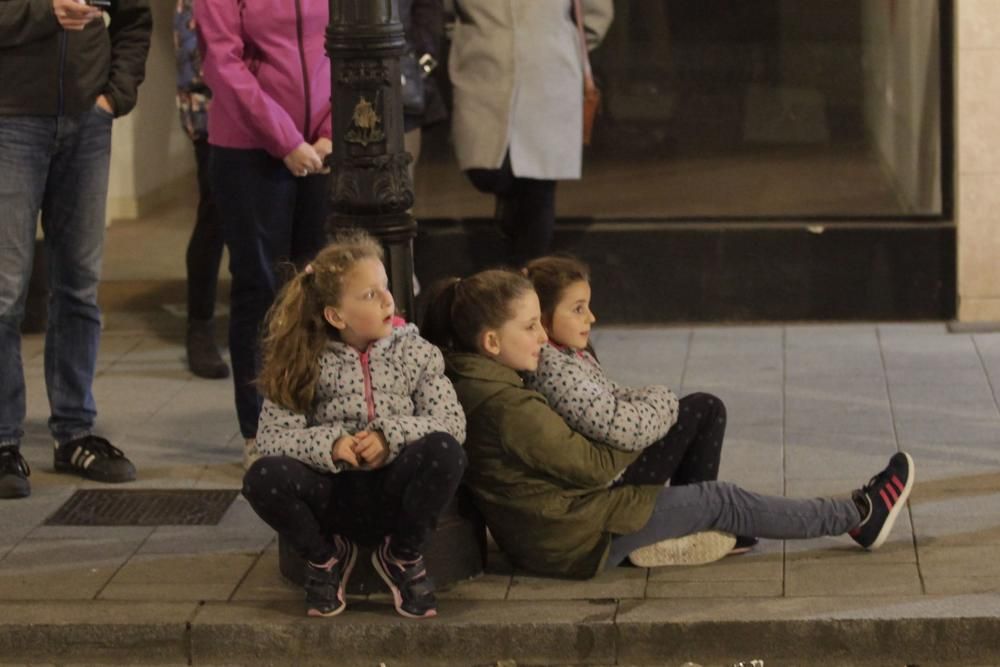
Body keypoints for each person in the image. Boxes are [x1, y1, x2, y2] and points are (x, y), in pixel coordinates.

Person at [421, 270, 915, 578]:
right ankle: (857, 515)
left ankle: (708, 528)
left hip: (568, 522)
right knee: (724, 499)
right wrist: (635, 429)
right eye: (530, 328)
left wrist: (631, 425)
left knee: (711, 476)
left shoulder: (489, 380)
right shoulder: (505, 405)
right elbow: (594, 467)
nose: (540, 338)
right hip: (574, 539)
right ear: (490, 342)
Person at [243, 234, 467, 619]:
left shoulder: (415, 352)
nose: (387, 300)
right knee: (262, 477)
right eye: (369, 295)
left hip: (394, 489)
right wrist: (331, 444)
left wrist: (389, 437)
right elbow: (272, 437)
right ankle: (325, 559)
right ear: (336, 316)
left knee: (446, 451)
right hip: (332, 494)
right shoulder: (304, 360)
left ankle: (402, 556)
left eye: (385, 287)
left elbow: (451, 422)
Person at [0, 0, 152, 500]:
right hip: (11, 121)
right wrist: (45, 13)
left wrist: (115, 95)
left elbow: (134, 18)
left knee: (80, 289)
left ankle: (74, 432)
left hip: (87, 122)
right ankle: (3, 440)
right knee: (5, 292)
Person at [522, 255, 756, 557]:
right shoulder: (552, 368)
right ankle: (694, 520)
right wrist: (665, 404)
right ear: (543, 318)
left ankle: (690, 516)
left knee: (701, 408)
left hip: (619, 460)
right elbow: (618, 427)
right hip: (611, 480)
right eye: (578, 309)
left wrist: (654, 401)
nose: (591, 317)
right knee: (705, 409)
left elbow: (615, 395)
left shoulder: (568, 354)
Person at [196, 0, 333, 467]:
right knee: (262, 289)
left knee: (321, 291)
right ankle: (260, 430)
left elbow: (349, 44)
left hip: (322, 148)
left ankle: (317, 419)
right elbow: (222, 61)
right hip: (248, 149)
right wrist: (285, 140)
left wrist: (333, 132)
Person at [446, 0, 614, 264]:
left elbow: (596, 12)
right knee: (486, 172)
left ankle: (529, 285)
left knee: (540, 186)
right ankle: (511, 209)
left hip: (549, 76)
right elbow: (444, 13)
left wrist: (561, 43)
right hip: (482, 75)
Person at [173, 0, 229, 380]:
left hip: (268, 108)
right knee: (215, 212)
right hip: (212, 108)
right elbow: (191, 47)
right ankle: (201, 324)